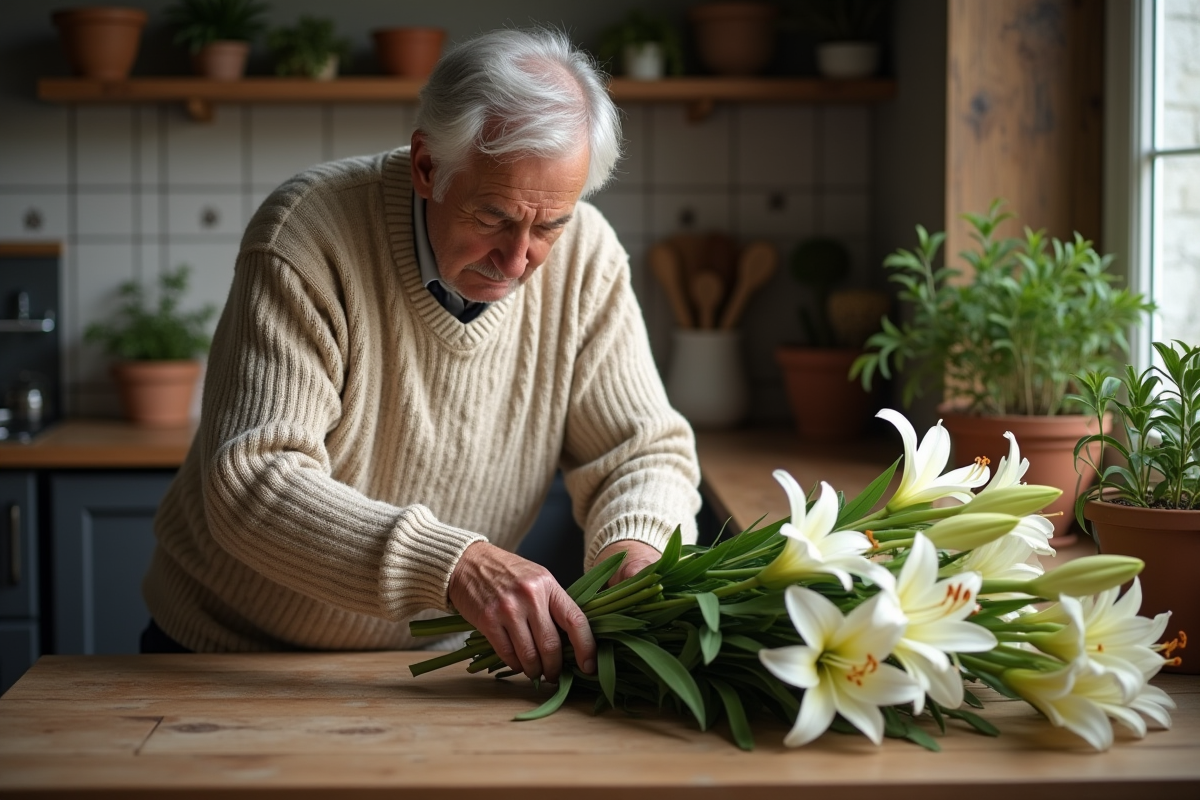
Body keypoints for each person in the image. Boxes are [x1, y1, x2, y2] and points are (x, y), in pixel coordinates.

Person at [140, 28, 702, 683]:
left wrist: (634, 548)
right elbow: (254, 482)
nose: (519, 260)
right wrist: (458, 565)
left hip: (429, 667)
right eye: (493, 217)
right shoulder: (307, 236)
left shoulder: (588, 260)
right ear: (427, 166)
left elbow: (642, 453)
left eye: (549, 225)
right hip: (234, 655)